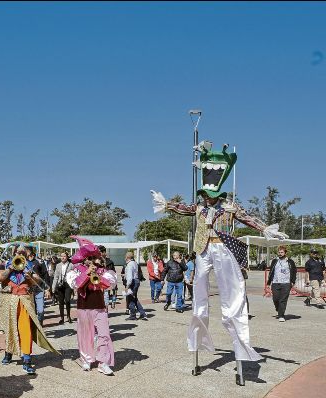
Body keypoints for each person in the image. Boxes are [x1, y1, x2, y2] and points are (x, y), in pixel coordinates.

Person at [151, 142, 287, 368]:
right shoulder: (199, 207)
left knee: (232, 296)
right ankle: (198, 337)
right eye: (205, 194)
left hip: (223, 250)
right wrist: (166, 205)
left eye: (210, 195)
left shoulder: (230, 206)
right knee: (199, 297)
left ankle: (241, 345)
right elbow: (183, 208)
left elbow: (248, 218)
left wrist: (264, 229)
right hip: (203, 250)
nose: (207, 198)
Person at [0, 243, 59, 374]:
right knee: (10, 329)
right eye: (18, 253)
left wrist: (30, 277)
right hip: (10, 300)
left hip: (25, 299)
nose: (20, 255)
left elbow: (37, 281)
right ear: (13, 254)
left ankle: (27, 359)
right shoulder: (5, 264)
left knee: (25, 330)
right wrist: (10, 269)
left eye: (23, 254)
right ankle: (8, 352)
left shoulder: (29, 266)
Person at [68, 237, 117, 375]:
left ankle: (103, 363)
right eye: (88, 258)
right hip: (83, 307)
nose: (91, 260)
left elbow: (111, 283)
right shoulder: (76, 270)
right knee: (85, 335)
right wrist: (86, 273)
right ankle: (87, 359)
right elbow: (74, 284)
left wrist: (98, 276)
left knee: (104, 335)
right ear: (84, 259)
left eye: (93, 257)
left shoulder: (103, 270)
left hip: (100, 307)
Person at [266, 245, 297, 322]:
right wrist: (268, 283)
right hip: (276, 282)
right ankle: (279, 309)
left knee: (283, 300)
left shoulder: (290, 262)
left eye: (282, 252)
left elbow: (294, 272)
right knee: (275, 299)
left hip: (286, 283)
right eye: (279, 252)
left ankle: (281, 315)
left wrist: (292, 281)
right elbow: (271, 272)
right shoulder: (274, 261)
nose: (280, 253)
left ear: (285, 253)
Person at [26, 246, 50, 323]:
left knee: (41, 311)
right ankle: (34, 327)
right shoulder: (23, 262)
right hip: (28, 290)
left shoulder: (40, 262)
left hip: (39, 288)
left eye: (25, 251)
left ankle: (39, 324)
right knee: (31, 311)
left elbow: (46, 275)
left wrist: (47, 289)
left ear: (30, 252)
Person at [124, 251, 148, 320]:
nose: (125, 257)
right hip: (136, 281)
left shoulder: (129, 265)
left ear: (128, 257)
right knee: (134, 298)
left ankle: (133, 315)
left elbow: (130, 277)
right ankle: (142, 313)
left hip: (133, 282)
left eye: (125, 256)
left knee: (131, 298)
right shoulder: (134, 263)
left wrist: (127, 286)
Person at [52, 251, 74, 324]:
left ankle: (68, 315)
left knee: (67, 300)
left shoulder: (71, 265)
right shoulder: (58, 265)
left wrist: (74, 286)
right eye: (61, 256)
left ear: (67, 257)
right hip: (60, 285)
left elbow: (74, 275)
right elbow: (55, 277)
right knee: (60, 302)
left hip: (68, 284)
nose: (63, 257)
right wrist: (53, 287)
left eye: (64, 256)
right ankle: (62, 317)